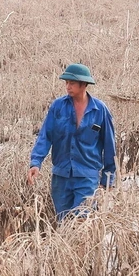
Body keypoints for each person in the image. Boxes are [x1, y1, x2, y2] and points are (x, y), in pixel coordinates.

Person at [27, 63, 116, 222]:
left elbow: (109, 145)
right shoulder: (58, 107)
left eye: (72, 83)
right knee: (63, 222)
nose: (67, 86)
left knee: (81, 222)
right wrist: (36, 162)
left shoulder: (100, 110)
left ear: (84, 85)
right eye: (66, 83)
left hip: (87, 177)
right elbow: (45, 136)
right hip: (61, 177)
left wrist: (108, 178)